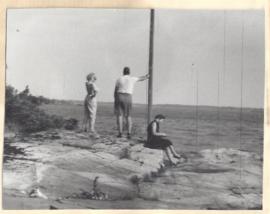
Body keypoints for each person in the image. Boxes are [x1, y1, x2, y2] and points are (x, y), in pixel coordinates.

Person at [114, 67, 149, 139]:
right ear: (129, 72)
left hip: (120, 96)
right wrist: (147, 76)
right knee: (128, 116)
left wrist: (115, 99)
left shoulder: (119, 79)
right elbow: (141, 78)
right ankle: (129, 133)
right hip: (128, 96)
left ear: (123, 72)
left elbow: (115, 90)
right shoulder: (132, 78)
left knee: (120, 116)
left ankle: (120, 133)